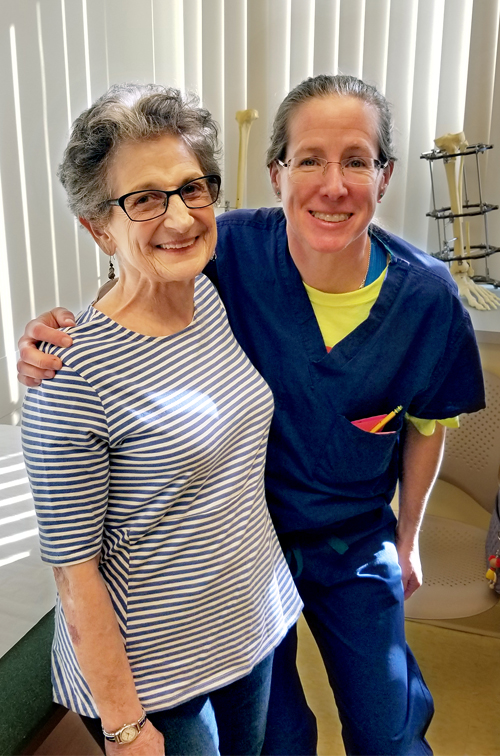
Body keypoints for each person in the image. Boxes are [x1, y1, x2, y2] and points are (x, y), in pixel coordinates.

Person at [18, 75, 485, 756]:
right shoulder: (226, 255)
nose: (333, 184)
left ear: (383, 177)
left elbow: (427, 423)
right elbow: (136, 286)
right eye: (309, 160)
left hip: (333, 551)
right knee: (282, 739)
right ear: (276, 173)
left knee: (388, 726)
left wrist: (407, 536)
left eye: (356, 160)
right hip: (249, 556)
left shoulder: (419, 296)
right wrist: (51, 336)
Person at [20, 83, 303, 756]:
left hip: (244, 624)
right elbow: (73, 571)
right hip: (151, 675)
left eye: (192, 187)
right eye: (143, 198)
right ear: (98, 227)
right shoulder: (68, 376)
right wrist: (122, 726)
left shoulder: (208, 293)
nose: (178, 217)